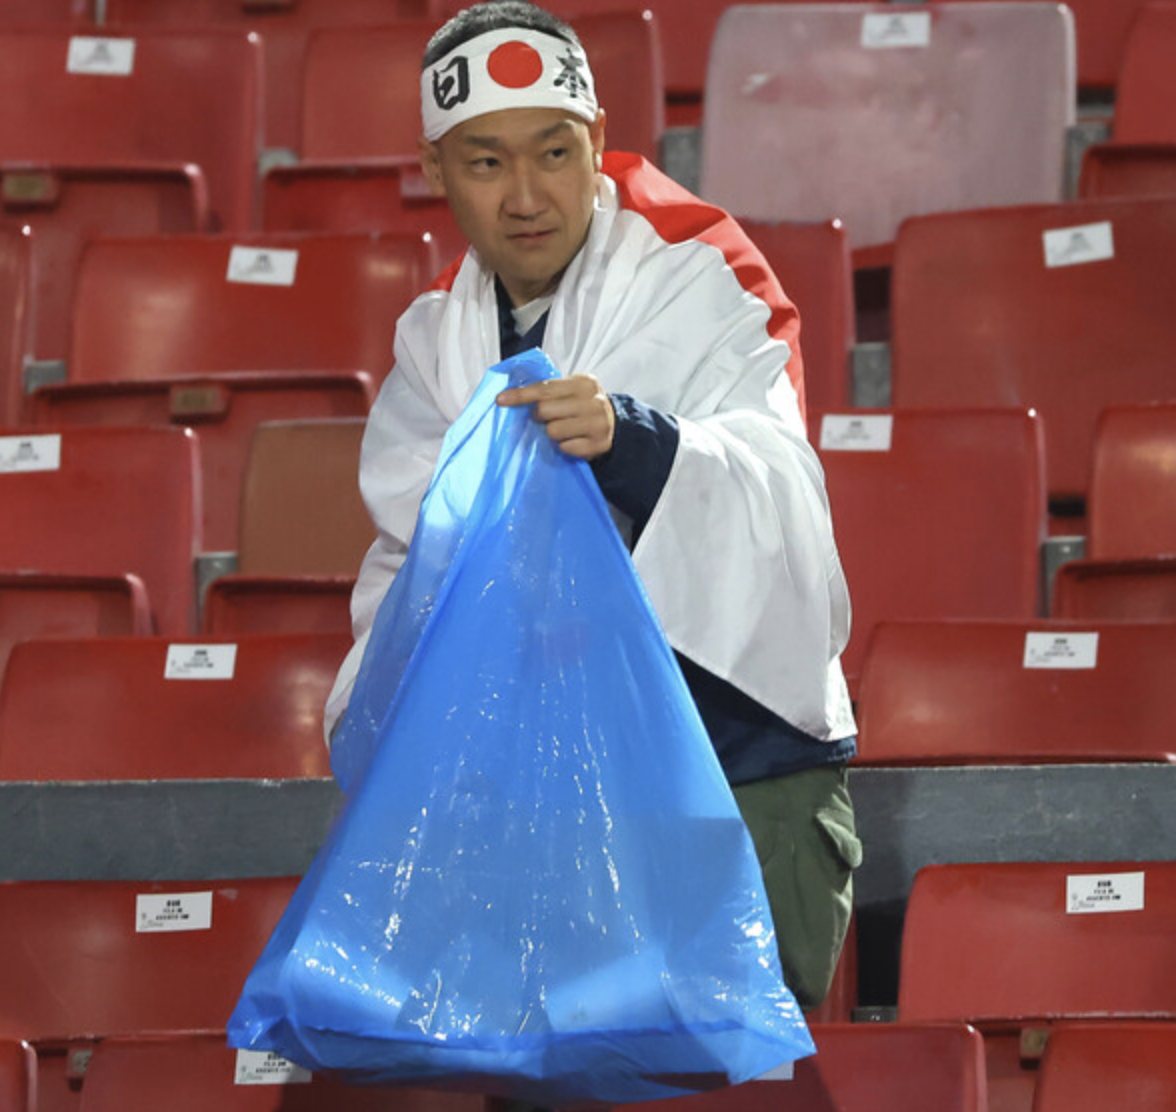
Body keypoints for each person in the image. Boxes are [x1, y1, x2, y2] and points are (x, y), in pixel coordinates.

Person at [323, 0, 862, 1013]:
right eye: (487, 163)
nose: (528, 196)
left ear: (599, 138)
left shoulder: (699, 270)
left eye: (556, 153)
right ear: (435, 169)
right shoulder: (435, 339)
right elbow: (406, 568)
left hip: (736, 773)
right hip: (542, 809)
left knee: (726, 1071)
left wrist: (632, 440)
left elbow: (785, 496)